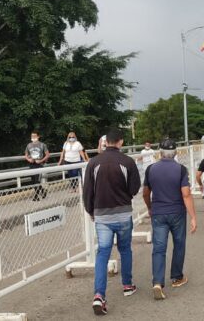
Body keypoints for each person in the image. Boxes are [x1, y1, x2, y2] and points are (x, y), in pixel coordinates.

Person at [82, 129, 141, 315]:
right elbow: (134, 188)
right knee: (125, 249)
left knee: (102, 254)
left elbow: (87, 191)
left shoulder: (93, 163)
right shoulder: (128, 162)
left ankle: (99, 295)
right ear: (120, 142)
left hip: (102, 216)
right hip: (123, 214)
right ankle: (127, 285)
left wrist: (91, 211)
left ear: (105, 142)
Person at [142, 139, 197, 300]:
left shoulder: (151, 169)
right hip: (177, 212)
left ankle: (158, 282)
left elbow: (145, 193)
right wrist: (193, 217)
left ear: (159, 152)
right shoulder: (181, 170)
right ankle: (177, 277)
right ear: (176, 153)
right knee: (179, 244)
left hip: (158, 212)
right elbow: (186, 194)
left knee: (159, 248)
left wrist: (150, 208)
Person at [24, 131, 49, 201]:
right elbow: (26, 155)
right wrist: (29, 159)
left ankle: (36, 196)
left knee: (37, 181)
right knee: (33, 181)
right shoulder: (29, 145)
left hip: (39, 164)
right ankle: (43, 190)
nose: (33, 138)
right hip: (31, 164)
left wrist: (41, 161)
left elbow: (47, 155)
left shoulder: (42, 145)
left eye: (34, 136)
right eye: (32, 136)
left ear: (38, 136)